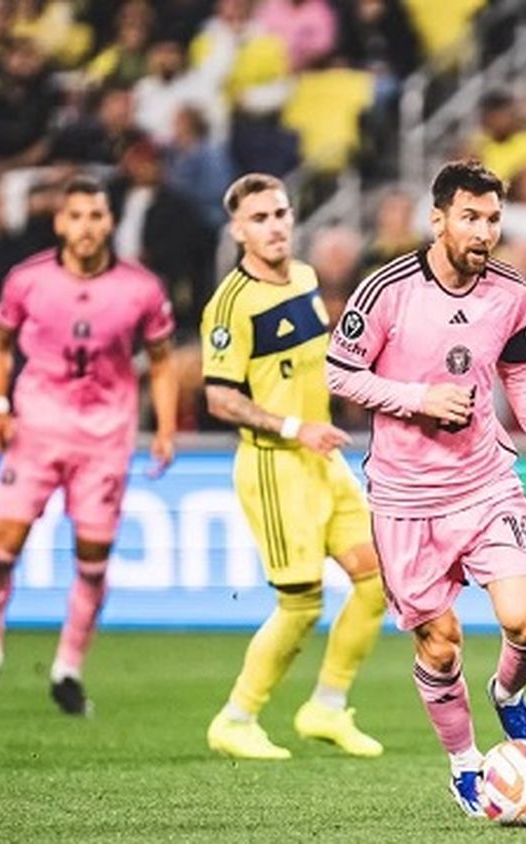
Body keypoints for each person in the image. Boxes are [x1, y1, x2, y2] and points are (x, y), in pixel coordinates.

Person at [325, 161, 526, 816]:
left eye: (494, 218)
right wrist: (417, 398)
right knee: (440, 646)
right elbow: (338, 373)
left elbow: (520, 373)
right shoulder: (385, 291)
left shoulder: (510, 291)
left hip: (486, 480)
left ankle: (507, 695)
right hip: (405, 498)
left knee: (524, 623)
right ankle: (465, 762)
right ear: (438, 218)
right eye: (470, 217)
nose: (483, 231)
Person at [0, 178, 177, 717]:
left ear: (110, 222)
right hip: (37, 428)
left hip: (106, 437)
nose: (86, 227)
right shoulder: (27, 280)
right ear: (60, 223)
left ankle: (68, 670)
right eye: (75, 216)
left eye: (96, 216)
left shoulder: (141, 289)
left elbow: (164, 359)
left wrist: (166, 430)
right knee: (3, 546)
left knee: (94, 559)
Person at [200, 173, 386, 760]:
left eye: (280, 213)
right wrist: (291, 427)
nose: (275, 225)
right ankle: (236, 718)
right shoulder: (230, 304)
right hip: (276, 468)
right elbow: (219, 397)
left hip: (323, 461)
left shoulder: (304, 277)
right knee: (302, 605)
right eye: (259, 218)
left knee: (377, 579)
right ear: (238, 230)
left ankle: (325, 707)